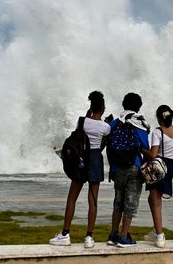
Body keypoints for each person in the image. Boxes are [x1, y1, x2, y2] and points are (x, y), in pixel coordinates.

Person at [50, 91, 111, 248]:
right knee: (93, 200)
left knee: (72, 198)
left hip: (81, 160)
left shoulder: (82, 121)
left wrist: (86, 116)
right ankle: (89, 237)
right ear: (103, 108)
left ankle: (65, 234)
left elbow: (79, 136)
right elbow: (102, 145)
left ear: (90, 107)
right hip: (96, 160)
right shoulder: (106, 127)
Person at [106, 92, 151, 248]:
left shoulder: (114, 123)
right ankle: (124, 236)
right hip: (134, 166)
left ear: (124, 104)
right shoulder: (139, 123)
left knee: (118, 200)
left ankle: (113, 234)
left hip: (117, 168)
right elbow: (146, 147)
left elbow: (108, 143)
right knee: (130, 202)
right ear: (138, 107)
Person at [143, 105, 173, 248]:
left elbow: (153, 154)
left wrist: (141, 149)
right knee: (154, 198)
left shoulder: (157, 132)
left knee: (155, 199)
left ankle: (159, 235)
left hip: (158, 166)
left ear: (159, 118)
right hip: (170, 166)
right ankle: (156, 229)